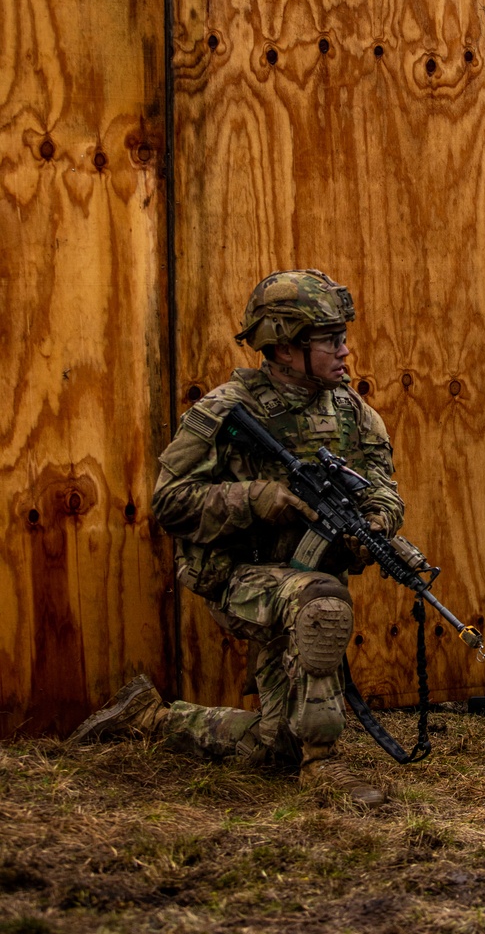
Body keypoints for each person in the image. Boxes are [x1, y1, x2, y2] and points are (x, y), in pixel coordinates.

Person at [69, 270, 403, 805]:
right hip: (237, 578)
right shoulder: (225, 412)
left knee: (276, 744)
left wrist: (378, 524)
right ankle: (326, 766)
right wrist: (255, 499)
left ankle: (152, 718)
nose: (346, 351)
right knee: (323, 604)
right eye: (331, 340)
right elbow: (169, 503)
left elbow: (384, 491)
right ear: (286, 347)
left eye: (344, 337)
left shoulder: (354, 414)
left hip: (305, 578)